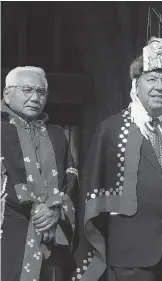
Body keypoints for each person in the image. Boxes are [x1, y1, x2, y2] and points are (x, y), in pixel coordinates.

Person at [72, 34, 162, 281]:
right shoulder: (110, 130)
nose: (159, 87)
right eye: (151, 79)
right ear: (136, 85)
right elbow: (91, 193)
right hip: (130, 251)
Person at [1, 66, 79, 281]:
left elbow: (70, 179)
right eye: (27, 90)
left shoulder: (56, 135)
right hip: (9, 233)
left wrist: (55, 209)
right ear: (7, 94)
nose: (35, 97)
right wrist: (35, 207)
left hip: (52, 236)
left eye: (41, 92)